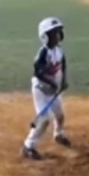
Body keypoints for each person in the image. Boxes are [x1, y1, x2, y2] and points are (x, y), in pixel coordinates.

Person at [21, 17, 71, 159]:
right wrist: (52, 83)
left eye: (58, 32)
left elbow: (64, 65)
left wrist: (64, 81)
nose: (57, 35)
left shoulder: (59, 51)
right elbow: (38, 72)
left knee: (60, 116)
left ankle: (58, 134)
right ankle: (28, 146)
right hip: (41, 90)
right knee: (44, 120)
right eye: (54, 33)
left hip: (54, 90)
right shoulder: (43, 53)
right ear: (46, 36)